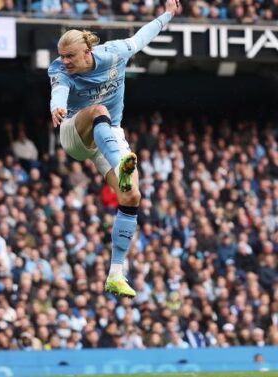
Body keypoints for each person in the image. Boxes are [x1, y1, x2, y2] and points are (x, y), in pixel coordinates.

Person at [47, 0, 179, 298]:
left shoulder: (116, 53)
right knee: (96, 110)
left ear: (87, 52)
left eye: (70, 56)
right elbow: (59, 90)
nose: (64, 61)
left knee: (131, 195)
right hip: (75, 132)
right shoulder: (60, 71)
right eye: (62, 56)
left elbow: (141, 37)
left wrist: (168, 14)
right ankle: (122, 164)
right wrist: (56, 107)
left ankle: (116, 273)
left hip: (109, 134)